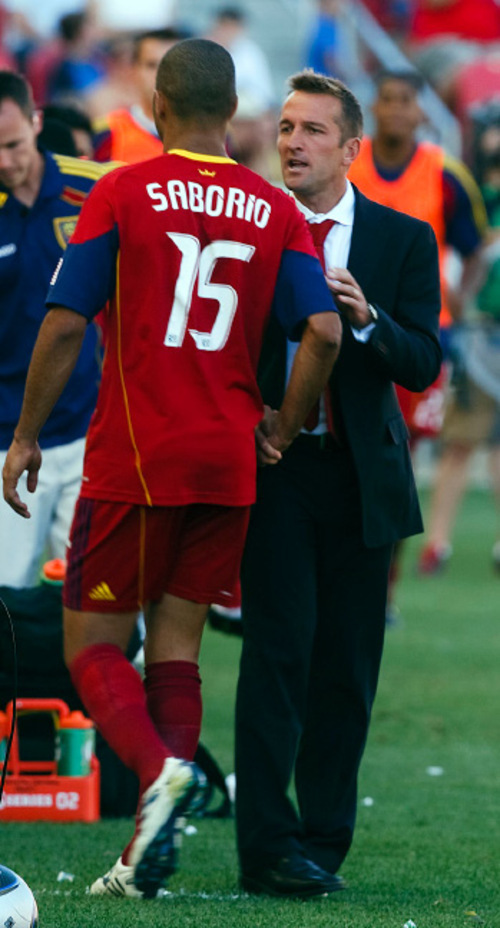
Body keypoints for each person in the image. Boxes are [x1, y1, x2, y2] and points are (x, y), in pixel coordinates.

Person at [3, 39, 342, 899]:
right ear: (234, 116)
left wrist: (26, 434)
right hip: (229, 458)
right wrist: (286, 424)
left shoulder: (119, 188)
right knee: (177, 648)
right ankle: (141, 857)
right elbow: (325, 331)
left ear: (157, 108)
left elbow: (67, 319)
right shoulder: (275, 207)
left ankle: (159, 772)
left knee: (91, 648)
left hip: (136, 454)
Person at [234, 70, 441, 899]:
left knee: (347, 671)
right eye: (286, 126)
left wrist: (369, 322)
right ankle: (264, 847)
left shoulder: (401, 239)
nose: (292, 142)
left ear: (351, 149)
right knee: (275, 658)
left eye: (313, 130)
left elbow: (424, 362)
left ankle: (321, 842)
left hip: (363, 482)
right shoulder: (251, 228)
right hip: (277, 470)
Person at [347, 69, 486, 610]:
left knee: (399, 456)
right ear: (373, 109)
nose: (397, 110)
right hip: (353, 326)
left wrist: (458, 295)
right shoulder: (349, 162)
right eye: (387, 100)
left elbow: (475, 245)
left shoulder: (443, 172)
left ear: (421, 111)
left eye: (407, 100)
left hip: (422, 336)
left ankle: (386, 586)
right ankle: (358, 579)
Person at [0, 70, 115, 589]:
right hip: (4, 438)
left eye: (13, 144)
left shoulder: (96, 185)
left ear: (36, 122)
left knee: (103, 606)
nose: (4, 161)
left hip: (90, 428)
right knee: (8, 607)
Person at [92, 28, 185, 164]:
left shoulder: (211, 137)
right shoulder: (106, 133)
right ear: (134, 70)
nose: (162, 75)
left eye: (173, 66)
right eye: (152, 65)